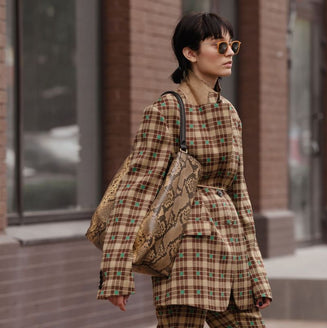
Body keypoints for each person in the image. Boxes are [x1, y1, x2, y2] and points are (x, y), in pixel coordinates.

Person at [96, 12, 273, 328]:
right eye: (218, 45)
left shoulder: (230, 114)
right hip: (183, 251)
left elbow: (239, 194)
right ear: (190, 53)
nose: (229, 52)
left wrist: (255, 271)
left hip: (230, 248)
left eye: (231, 44)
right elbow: (135, 192)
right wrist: (116, 271)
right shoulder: (165, 111)